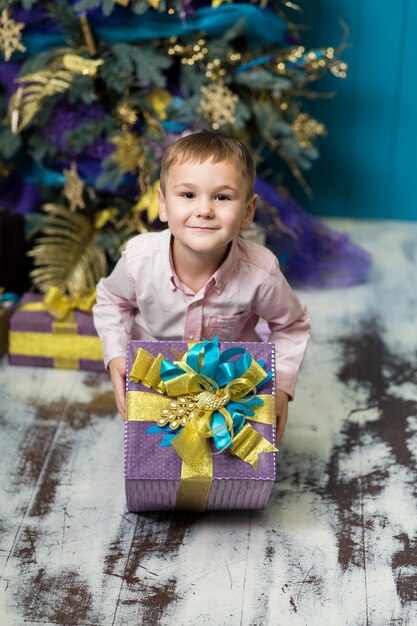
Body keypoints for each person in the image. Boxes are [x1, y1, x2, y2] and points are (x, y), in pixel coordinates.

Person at [93, 130, 310, 443]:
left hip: (229, 394)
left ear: (248, 211)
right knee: (157, 462)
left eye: (222, 197)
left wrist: (282, 386)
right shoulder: (139, 259)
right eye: (188, 195)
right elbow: (111, 301)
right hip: (156, 386)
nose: (204, 209)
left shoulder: (260, 273)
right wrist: (116, 356)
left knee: (230, 469)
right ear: (163, 204)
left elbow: (292, 326)